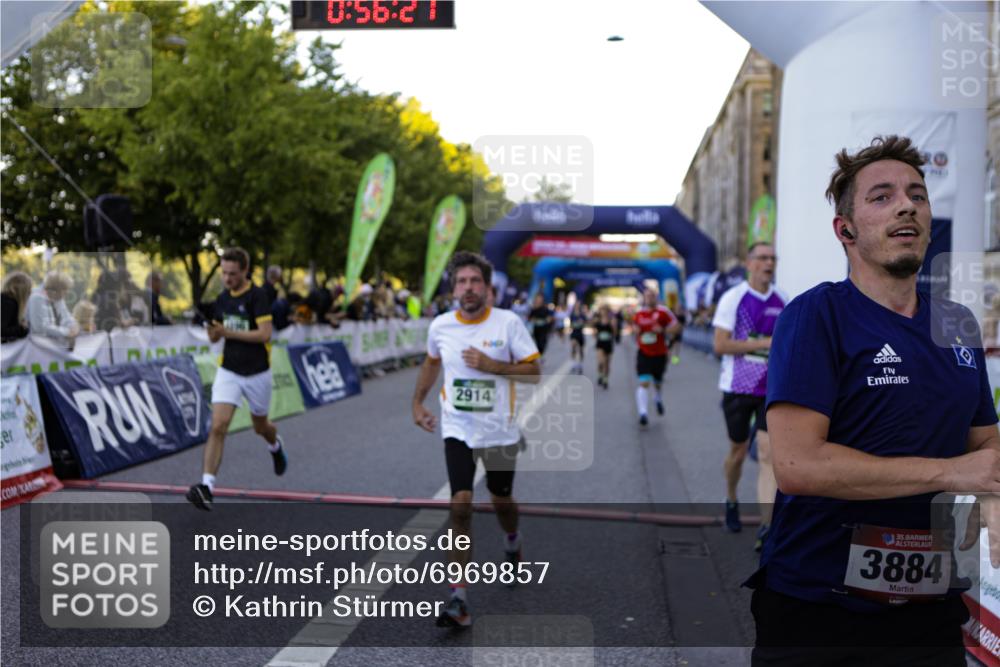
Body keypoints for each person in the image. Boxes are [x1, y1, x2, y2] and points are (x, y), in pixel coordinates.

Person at [748, 135, 1000, 665]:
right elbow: (797, 465)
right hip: (820, 609)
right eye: (881, 197)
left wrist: (992, 495)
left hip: (930, 605)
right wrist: (952, 475)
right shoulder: (816, 316)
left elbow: (986, 446)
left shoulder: (956, 324)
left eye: (917, 195)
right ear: (845, 230)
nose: (907, 204)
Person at [412, 251, 541, 628]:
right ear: (454, 289)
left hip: (499, 430)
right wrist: (417, 402)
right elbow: (432, 362)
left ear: (487, 287)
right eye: (462, 282)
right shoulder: (441, 326)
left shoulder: (508, 323)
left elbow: (534, 372)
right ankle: (458, 597)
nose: (468, 288)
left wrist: (493, 366)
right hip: (458, 428)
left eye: (475, 282)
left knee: (501, 500)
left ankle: (513, 540)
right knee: (462, 503)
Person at [186, 247, 286, 511]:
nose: (227, 278)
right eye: (224, 273)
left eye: (232, 273)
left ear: (244, 271)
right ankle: (207, 487)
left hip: (257, 373)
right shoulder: (222, 299)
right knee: (218, 425)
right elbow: (215, 337)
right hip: (229, 370)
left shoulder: (258, 296)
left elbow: (265, 335)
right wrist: (213, 331)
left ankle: (275, 445)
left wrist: (227, 332)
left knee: (261, 427)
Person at [712, 242, 787, 540]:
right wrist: (763, 343)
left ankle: (766, 527)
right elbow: (720, 345)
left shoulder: (783, 299)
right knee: (738, 452)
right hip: (738, 387)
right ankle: (731, 497)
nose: (769, 263)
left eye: (773, 258)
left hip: (771, 389)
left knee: (769, 454)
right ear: (749, 262)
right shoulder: (734, 298)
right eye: (763, 258)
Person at [632, 287, 682, 426]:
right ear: (644, 298)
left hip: (660, 353)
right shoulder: (639, 314)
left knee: (658, 382)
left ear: (656, 297)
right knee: (644, 382)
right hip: (644, 352)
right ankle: (643, 413)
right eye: (647, 296)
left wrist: (664, 330)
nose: (649, 298)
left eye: (652, 296)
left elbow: (677, 327)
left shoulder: (663, 312)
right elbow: (634, 328)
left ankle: (657, 398)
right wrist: (635, 330)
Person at [27, 271, 79, 349]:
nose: (67, 292)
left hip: (47, 346)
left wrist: (73, 327)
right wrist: (66, 332)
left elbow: (66, 317)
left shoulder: (58, 298)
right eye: (65, 289)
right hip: (33, 347)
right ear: (56, 289)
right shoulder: (36, 298)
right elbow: (40, 328)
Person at [1, 271, 32, 342]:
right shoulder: (8, 303)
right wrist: (22, 329)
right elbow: (2, 330)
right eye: (29, 289)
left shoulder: (6, 300)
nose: (30, 292)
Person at [593, 304, 616, 388]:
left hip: (608, 343)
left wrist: (613, 326)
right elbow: (594, 332)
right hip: (600, 343)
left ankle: (605, 379)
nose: (604, 312)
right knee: (601, 362)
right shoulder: (598, 321)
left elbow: (614, 333)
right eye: (602, 310)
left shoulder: (612, 320)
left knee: (607, 363)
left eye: (605, 310)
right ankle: (600, 374)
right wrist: (595, 333)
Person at [528, 293, 554, 357]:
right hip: (536, 329)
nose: (539, 300)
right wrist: (533, 319)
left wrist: (547, 320)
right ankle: (537, 357)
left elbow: (550, 318)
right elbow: (530, 318)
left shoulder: (545, 309)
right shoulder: (534, 309)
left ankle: (540, 357)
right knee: (536, 344)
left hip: (544, 330)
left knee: (541, 344)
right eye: (537, 299)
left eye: (540, 299)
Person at [568, 301, 588, 374]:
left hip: (580, 333)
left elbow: (586, 323)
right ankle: (573, 363)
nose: (577, 306)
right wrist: (573, 325)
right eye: (576, 305)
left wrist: (582, 323)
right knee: (573, 346)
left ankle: (580, 364)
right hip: (574, 333)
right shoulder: (572, 315)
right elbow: (570, 324)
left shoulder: (582, 315)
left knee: (581, 350)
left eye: (578, 305)